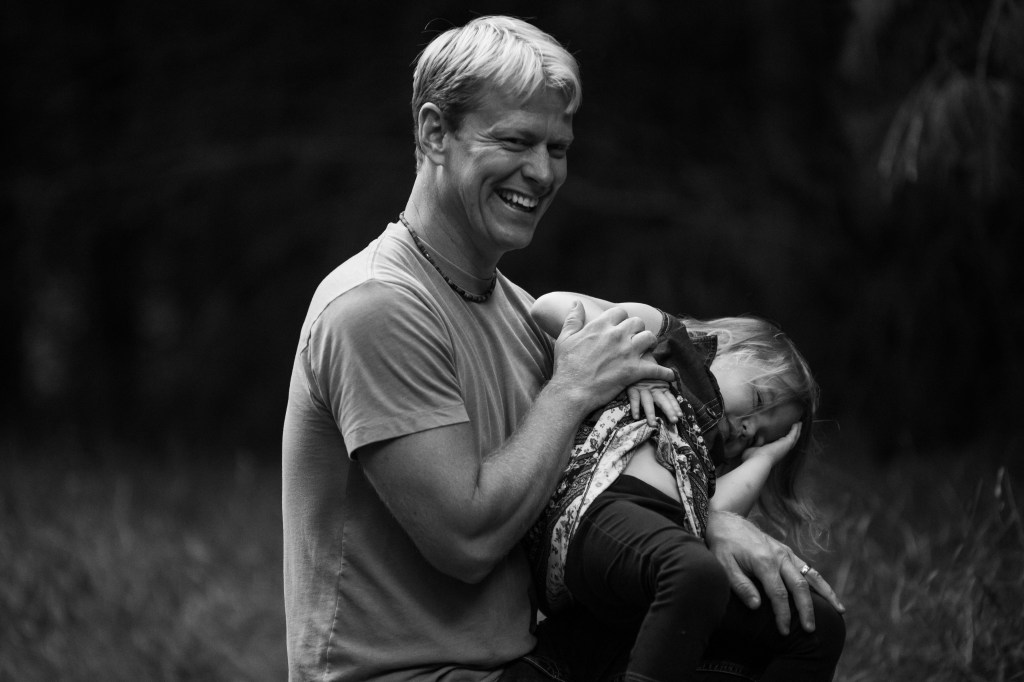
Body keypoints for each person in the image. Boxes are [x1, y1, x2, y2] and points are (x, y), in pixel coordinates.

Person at [281, 15, 844, 682]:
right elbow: (466, 540)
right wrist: (571, 390)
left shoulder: (525, 313)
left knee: (800, 625)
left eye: (559, 147)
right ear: (435, 133)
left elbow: (580, 497)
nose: (542, 172)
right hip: (415, 675)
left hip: (529, 661)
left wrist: (702, 526)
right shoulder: (375, 307)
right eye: (516, 141)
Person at [525, 292, 846, 681]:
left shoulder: (702, 464)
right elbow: (551, 306)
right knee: (695, 572)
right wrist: (637, 363)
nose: (748, 428)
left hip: (653, 556)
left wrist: (762, 458)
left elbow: (714, 516)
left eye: (758, 435)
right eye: (760, 397)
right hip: (593, 513)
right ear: (727, 345)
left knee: (819, 627)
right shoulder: (671, 343)